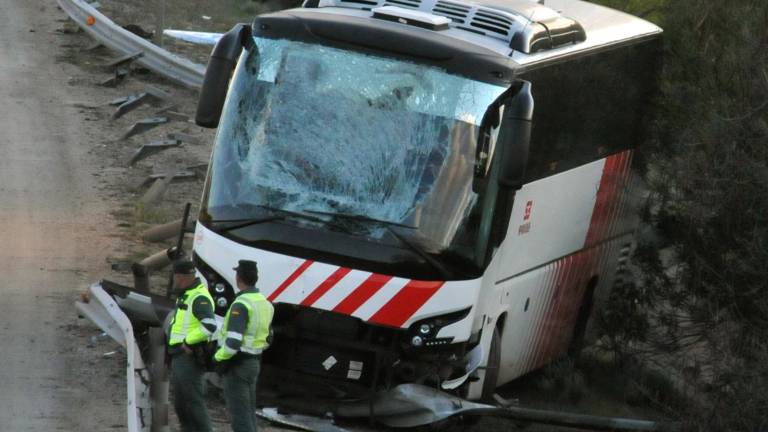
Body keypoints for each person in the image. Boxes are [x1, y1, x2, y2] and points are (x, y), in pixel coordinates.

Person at [214, 259, 274, 432]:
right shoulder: (265, 304)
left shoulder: (241, 304)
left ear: (238, 277)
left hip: (237, 364)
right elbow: (269, 338)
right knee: (248, 413)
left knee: (240, 417)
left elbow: (233, 342)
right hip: (253, 362)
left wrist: (217, 358)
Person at [167, 260, 217, 432]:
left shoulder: (198, 297)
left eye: (175, 276)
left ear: (180, 277)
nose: (174, 280)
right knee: (181, 404)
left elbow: (209, 325)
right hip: (179, 355)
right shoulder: (187, 294)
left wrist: (188, 341)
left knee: (193, 402)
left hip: (188, 357)